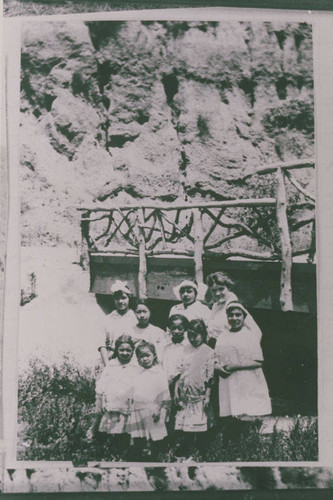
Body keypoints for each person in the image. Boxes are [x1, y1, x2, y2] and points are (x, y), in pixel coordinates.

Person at [214, 301, 271, 440]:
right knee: (233, 412)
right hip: (228, 379)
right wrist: (216, 366)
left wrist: (234, 366)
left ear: (244, 317)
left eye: (238, 315)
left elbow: (258, 361)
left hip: (247, 378)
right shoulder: (223, 336)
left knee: (247, 411)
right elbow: (215, 356)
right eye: (231, 315)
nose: (234, 318)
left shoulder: (249, 335)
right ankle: (234, 444)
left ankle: (249, 443)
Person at [89, 335, 139, 460]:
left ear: (133, 351)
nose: (125, 353)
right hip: (113, 403)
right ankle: (110, 455)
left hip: (129, 404)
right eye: (121, 350)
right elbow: (102, 384)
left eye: (128, 350)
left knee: (127, 431)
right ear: (117, 350)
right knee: (113, 430)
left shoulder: (136, 367)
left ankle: (126, 456)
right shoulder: (111, 366)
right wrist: (101, 399)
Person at [174, 319, 215, 453]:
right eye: (189, 335)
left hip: (200, 394)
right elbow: (179, 372)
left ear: (203, 334)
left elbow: (210, 376)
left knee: (199, 423)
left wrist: (207, 396)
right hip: (185, 394)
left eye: (195, 335)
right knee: (187, 425)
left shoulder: (208, 351)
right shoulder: (185, 350)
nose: (192, 339)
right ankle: (187, 449)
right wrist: (176, 391)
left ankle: (200, 450)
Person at [126, 341, 170, 460]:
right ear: (138, 358)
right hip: (138, 409)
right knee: (139, 436)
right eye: (141, 356)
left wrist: (159, 408)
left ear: (154, 356)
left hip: (153, 408)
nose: (145, 359)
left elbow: (163, 392)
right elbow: (132, 390)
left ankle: (156, 459)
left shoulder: (159, 372)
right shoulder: (136, 372)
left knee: (155, 436)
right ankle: (140, 459)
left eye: (147, 355)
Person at [206, 271, 261, 348]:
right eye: (214, 290)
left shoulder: (235, 305)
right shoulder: (216, 306)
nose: (217, 294)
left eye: (221, 289)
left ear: (228, 287)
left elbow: (257, 333)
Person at [104, 281, 137, 351]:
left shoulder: (135, 318)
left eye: (123, 298)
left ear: (129, 298)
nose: (120, 301)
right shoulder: (108, 319)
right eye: (117, 298)